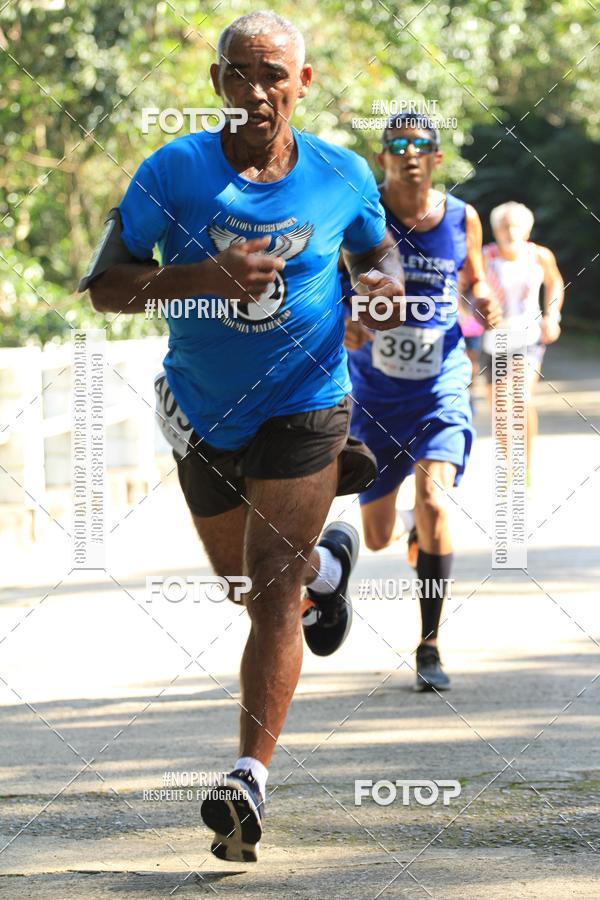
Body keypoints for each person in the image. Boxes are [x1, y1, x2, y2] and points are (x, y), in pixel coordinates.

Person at [80, 12, 404, 863]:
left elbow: (380, 258)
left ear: (305, 82)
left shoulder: (340, 174)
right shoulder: (172, 172)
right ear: (216, 80)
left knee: (268, 586)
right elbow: (105, 287)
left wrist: (377, 293)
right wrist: (201, 278)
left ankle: (248, 777)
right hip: (203, 408)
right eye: (240, 74)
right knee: (242, 577)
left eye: (274, 75)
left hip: (307, 401)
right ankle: (332, 564)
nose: (257, 92)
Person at [344, 112, 500, 692]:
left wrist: (483, 301)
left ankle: (429, 644)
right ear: (383, 156)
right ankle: (409, 528)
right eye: (397, 145)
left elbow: (475, 279)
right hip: (376, 395)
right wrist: (348, 323)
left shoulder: (462, 216)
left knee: (436, 502)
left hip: (441, 383)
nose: (409, 153)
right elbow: (331, 286)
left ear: (437, 157)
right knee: (380, 535)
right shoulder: (364, 215)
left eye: (421, 145)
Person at [481, 202, 564, 487]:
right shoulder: (484, 256)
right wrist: (470, 313)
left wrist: (552, 315)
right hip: (495, 337)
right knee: (498, 406)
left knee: (521, 399)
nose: (511, 231)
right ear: (495, 229)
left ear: (527, 228)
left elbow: (555, 283)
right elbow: (466, 289)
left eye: (516, 225)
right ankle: (510, 463)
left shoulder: (540, 255)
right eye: (504, 226)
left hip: (528, 336)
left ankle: (525, 469)